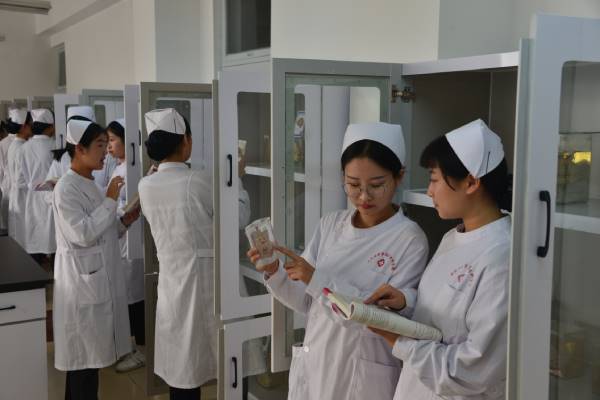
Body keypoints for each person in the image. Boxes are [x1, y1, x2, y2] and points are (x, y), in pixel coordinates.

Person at [248, 122, 429, 400]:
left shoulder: (409, 239)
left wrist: (316, 278)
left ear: (399, 176)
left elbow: (385, 321)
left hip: (363, 372)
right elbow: (305, 300)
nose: (364, 196)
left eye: (376, 185)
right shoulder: (331, 225)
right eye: (353, 184)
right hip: (316, 359)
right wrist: (275, 272)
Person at [367, 119, 512, 400]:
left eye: (434, 179)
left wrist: (399, 341)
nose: (430, 191)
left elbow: (474, 369)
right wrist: (405, 302)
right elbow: (441, 317)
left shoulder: (501, 256)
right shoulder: (453, 237)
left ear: (471, 182)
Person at [138, 108, 249, 400]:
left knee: (183, 368)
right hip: (210, 283)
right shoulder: (199, 180)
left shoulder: (145, 185)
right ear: (185, 141)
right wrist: (236, 180)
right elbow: (238, 218)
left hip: (173, 283)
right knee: (232, 363)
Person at [52, 118, 140, 400]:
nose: (106, 152)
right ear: (80, 149)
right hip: (81, 288)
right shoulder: (66, 188)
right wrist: (112, 199)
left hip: (97, 282)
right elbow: (82, 234)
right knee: (83, 366)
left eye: (106, 144)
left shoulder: (90, 184)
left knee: (87, 367)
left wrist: (124, 222)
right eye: (100, 145)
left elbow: (103, 232)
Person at [105, 118, 146, 372]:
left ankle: (141, 350)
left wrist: (113, 207)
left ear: (128, 141)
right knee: (126, 295)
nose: (108, 146)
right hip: (120, 237)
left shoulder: (133, 168)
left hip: (132, 239)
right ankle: (128, 345)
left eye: (112, 140)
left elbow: (131, 205)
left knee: (135, 296)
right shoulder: (119, 167)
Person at [19, 108, 56, 259]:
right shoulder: (55, 146)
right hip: (51, 196)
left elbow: (23, 175)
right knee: (53, 241)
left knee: (35, 238)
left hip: (32, 197)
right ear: (50, 126)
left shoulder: (24, 147)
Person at [6, 108, 32, 245]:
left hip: (17, 195)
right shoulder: (21, 148)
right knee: (23, 236)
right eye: (30, 124)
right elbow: (21, 179)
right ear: (23, 127)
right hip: (22, 196)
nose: (33, 126)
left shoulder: (16, 145)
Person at [0, 115, 18, 234]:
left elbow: (0, 170)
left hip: (7, 186)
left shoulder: (2, 144)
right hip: (19, 188)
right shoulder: (25, 142)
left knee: (8, 227)